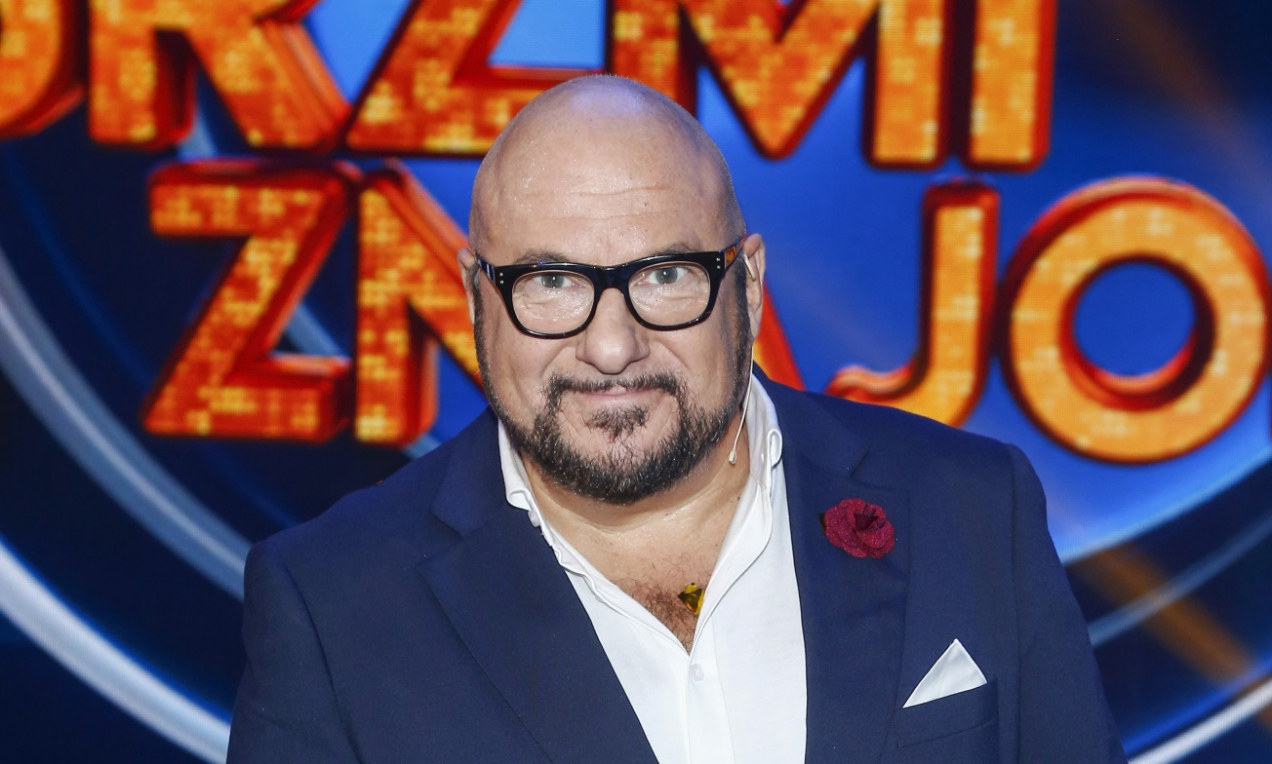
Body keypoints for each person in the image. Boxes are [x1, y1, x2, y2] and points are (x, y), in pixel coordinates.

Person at [227, 75, 1126, 763]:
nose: (611, 345)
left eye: (665, 276)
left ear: (750, 284)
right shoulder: (334, 603)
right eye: (551, 281)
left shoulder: (974, 509)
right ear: (475, 299)